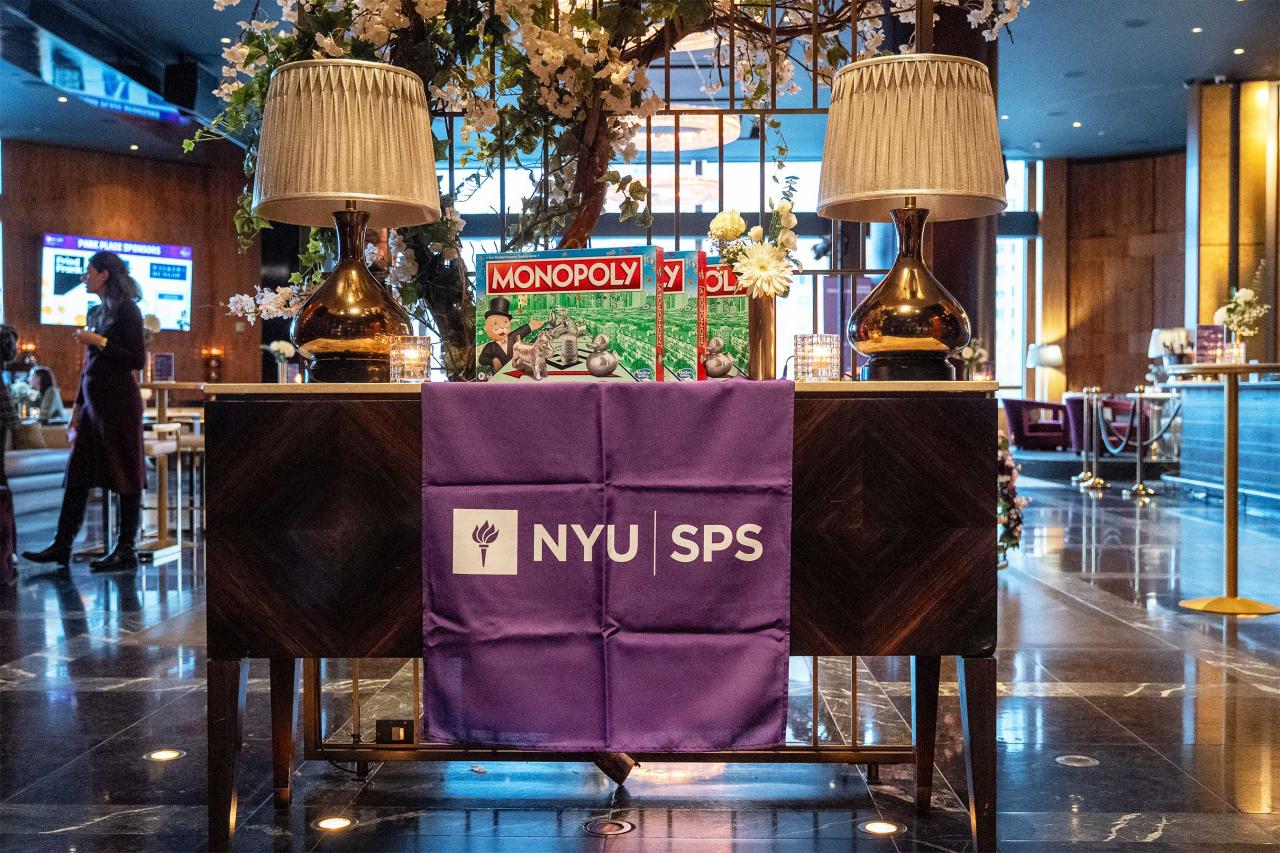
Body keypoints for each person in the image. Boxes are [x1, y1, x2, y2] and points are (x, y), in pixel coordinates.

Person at [23, 252, 146, 573]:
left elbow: (136, 360)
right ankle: (62, 545)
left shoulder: (128, 311)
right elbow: (90, 368)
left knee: (125, 474)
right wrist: (76, 410)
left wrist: (99, 340)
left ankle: (126, 549)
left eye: (89, 271)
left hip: (119, 405)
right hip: (93, 407)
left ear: (104, 274)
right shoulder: (97, 311)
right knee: (77, 474)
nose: (84, 277)